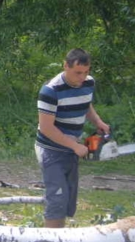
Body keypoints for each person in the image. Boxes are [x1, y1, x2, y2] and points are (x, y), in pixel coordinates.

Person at [35, 48, 109, 228]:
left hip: (71, 148)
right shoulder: (50, 90)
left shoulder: (88, 83)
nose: (82, 77)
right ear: (65, 66)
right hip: (50, 150)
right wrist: (75, 146)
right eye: (77, 73)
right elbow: (46, 128)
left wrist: (98, 121)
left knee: (68, 198)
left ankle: (61, 241)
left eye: (86, 72)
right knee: (57, 198)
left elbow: (85, 103)